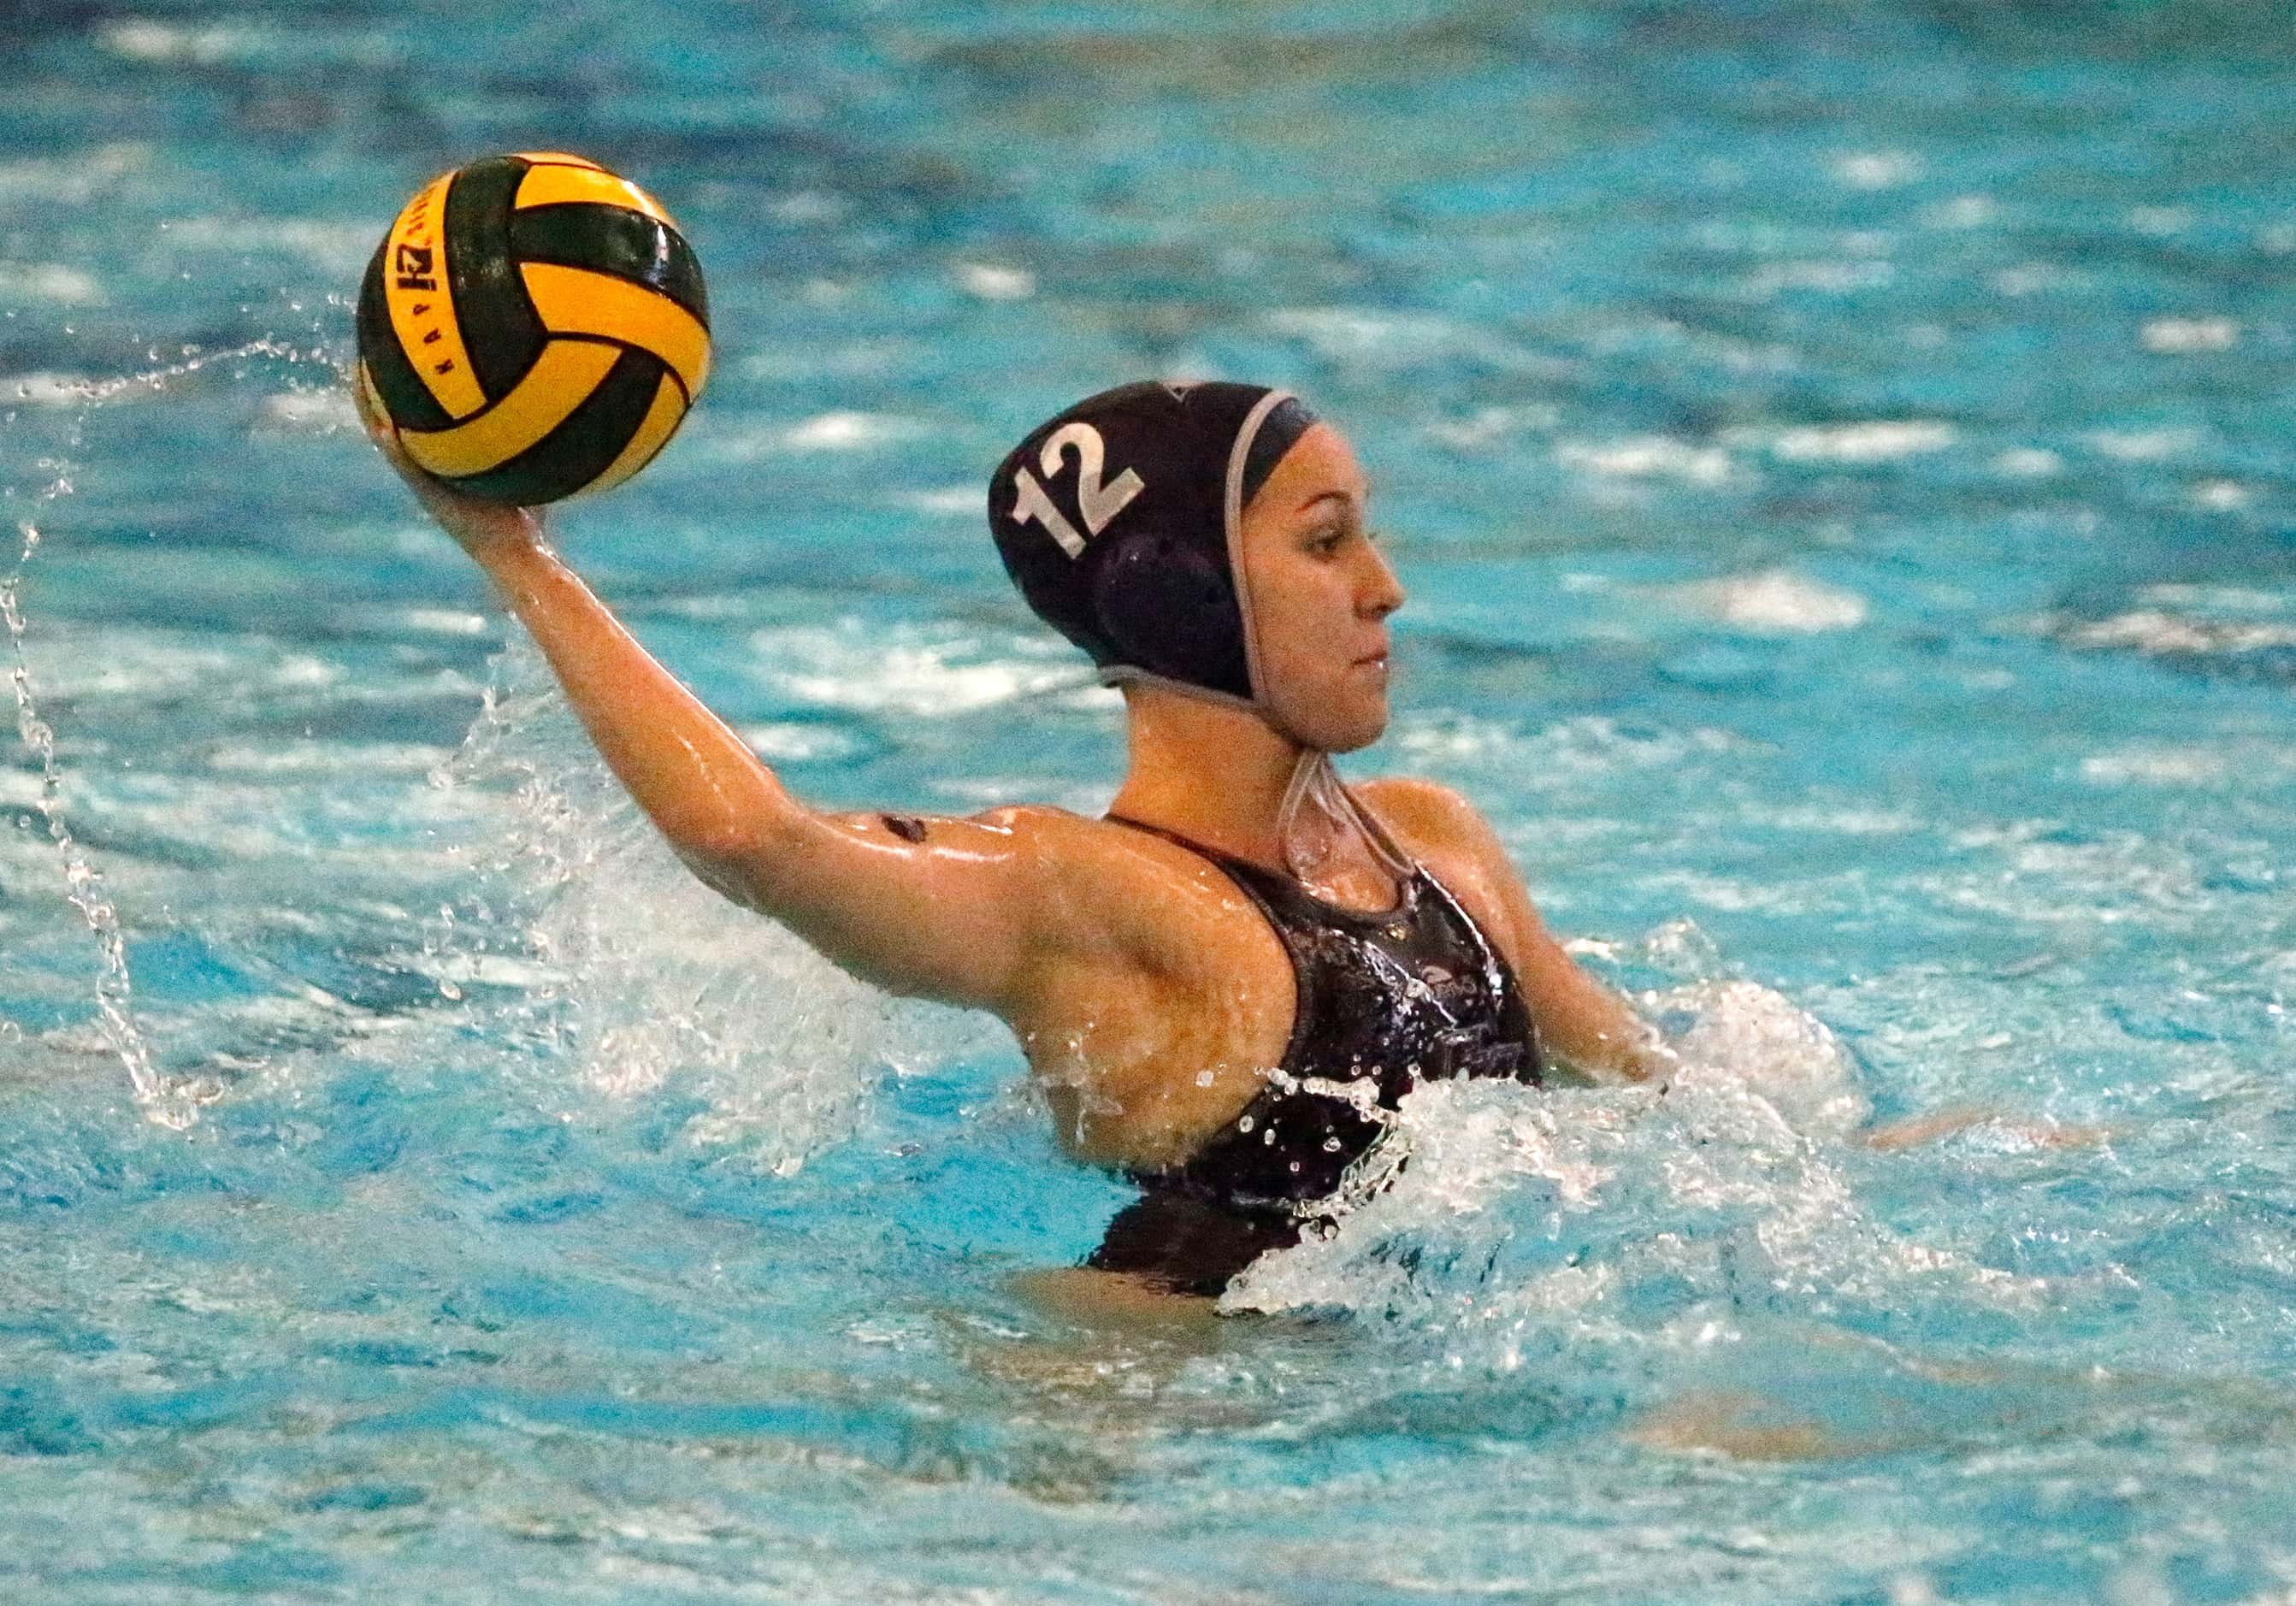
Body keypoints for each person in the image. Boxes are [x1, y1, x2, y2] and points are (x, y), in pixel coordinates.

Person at [352, 375, 1672, 1302]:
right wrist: (519, 558)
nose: (1386, 585)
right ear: (1182, 590)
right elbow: (750, 835)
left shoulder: (1437, 843)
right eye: (1326, 542)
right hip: (1167, 1424)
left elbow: (1660, 1105)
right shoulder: (1079, 899)